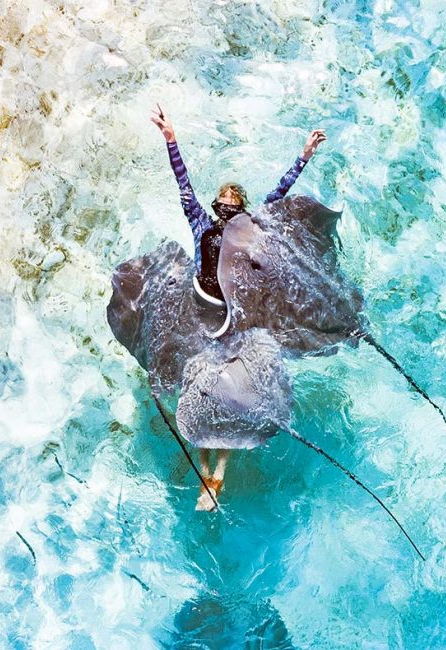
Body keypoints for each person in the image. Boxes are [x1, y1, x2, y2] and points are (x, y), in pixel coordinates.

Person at [150, 103, 326, 511]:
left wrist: (303, 157)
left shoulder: (247, 227)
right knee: (198, 387)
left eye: (233, 202)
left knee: (233, 391)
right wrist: (171, 139)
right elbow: (183, 184)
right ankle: (205, 473)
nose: (227, 207)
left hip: (233, 316)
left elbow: (276, 198)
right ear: (215, 206)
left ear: (240, 207)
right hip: (200, 310)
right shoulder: (200, 223)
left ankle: (219, 476)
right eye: (222, 202)